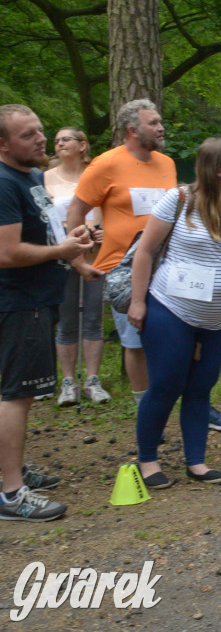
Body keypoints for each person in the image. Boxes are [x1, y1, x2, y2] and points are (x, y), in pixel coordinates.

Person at [127, 137, 221, 487]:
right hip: (170, 309)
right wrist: (138, 301)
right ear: (219, 170)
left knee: (201, 388)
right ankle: (148, 462)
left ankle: (196, 462)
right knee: (166, 384)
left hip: (217, 320)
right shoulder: (179, 200)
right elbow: (145, 251)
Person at [0, 104, 94, 521]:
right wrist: (62, 251)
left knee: (17, 393)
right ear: (3, 144)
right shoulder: (4, 183)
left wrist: (70, 238)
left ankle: (12, 470)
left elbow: (41, 230)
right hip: (20, 302)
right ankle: (10, 494)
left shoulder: (31, 176)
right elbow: (7, 252)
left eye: (41, 131)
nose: (41, 139)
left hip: (39, 296)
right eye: (28, 135)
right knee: (16, 396)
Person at [67, 99, 175, 412]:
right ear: (132, 130)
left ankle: (166, 399)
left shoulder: (166, 164)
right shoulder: (106, 163)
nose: (160, 127)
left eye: (159, 121)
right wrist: (79, 259)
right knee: (135, 341)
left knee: (169, 339)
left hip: (166, 268)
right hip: (122, 271)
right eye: (153, 123)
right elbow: (77, 210)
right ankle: (146, 407)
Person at [42, 127, 111, 406]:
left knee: (94, 316)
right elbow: (42, 216)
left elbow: (108, 211)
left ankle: (92, 380)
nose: (59, 144)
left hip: (95, 252)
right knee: (67, 318)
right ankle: (68, 382)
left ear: (82, 145)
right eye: (56, 141)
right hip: (61, 254)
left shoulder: (96, 174)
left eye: (65, 139)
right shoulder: (45, 177)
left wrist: (104, 231)